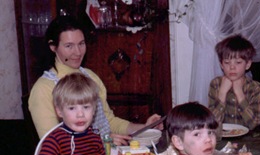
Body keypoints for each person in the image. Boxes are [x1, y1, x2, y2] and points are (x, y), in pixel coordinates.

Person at [29, 15, 162, 146]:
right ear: (53, 47)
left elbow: (108, 121)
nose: (78, 52)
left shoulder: (90, 76)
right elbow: (53, 145)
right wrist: (102, 142)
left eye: (81, 44)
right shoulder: (43, 89)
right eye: (69, 46)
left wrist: (144, 128)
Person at [208, 34, 260, 130]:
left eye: (238, 62)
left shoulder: (256, 88)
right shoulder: (216, 84)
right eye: (227, 62)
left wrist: (240, 94)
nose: (232, 67)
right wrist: (222, 94)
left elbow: (254, 124)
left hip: (248, 139)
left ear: (247, 64)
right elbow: (211, 124)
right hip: (223, 138)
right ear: (221, 65)